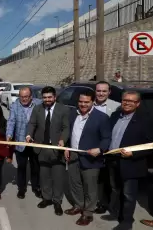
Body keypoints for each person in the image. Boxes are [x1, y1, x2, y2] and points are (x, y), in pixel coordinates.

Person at [101, 91, 153, 230]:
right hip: (113, 160)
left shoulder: (146, 121)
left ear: (138, 103)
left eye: (131, 101)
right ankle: (116, 213)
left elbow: (151, 146)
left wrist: (133, 154)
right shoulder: (115, 116)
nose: (127, 103)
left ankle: (127, 222)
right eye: (125, 100)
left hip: (132, 164)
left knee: (129, 195)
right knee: (115, 189)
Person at [63, 89, 112, 226]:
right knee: (75, 183)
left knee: (90, 187)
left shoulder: (101, 118)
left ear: (92, 102)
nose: (83, 104)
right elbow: (70, 132)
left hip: (91, 158)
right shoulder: (73, 114)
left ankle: (88, 213)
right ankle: (78, 205)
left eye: (86, 102)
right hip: (73, 155)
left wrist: (100, 149)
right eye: (80, 101)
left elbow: (107, 138)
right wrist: (67, 147)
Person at [26, 86, 70, 216]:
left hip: (57, 148)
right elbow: (32, 124)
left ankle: (57, 201)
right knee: (44, 176)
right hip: (42, 148)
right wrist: (29, 135)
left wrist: (63, 140)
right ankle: (47, 198)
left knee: (58, 177)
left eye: (49, 97)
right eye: (44, 97)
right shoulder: (37, 109)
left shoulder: (63, 109)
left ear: (55, 97)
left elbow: (66, 127)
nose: (47, 100)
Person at [6, 86, 42, 199]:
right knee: (21, 167)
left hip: (34, 142)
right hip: (20, 142)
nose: (24, 99)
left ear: (31, 96)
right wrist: (9, 135)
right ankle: (21, 188)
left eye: (26, 97)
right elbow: (11, 121)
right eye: (21, 97)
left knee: (35, 166)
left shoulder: (39, 104)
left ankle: (36, 187)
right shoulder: (15, 105)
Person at [93, 81, 121, 214]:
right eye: (98, 91)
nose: (101, 93)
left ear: (109, 92)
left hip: (108, 149)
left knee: (107, 179)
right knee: (93, 177)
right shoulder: (88, 105)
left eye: (104, 91)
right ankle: (92, 200)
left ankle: (105, 203)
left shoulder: (117, 107)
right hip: (90, 148)